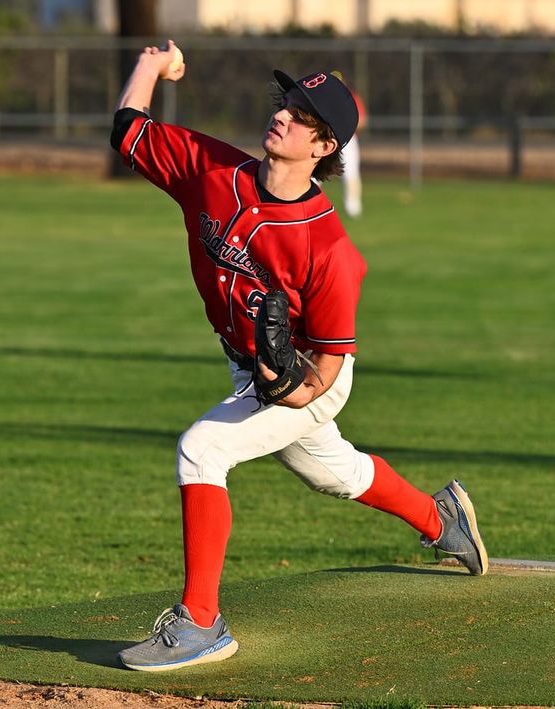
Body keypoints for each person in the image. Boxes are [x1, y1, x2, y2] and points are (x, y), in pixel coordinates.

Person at [109, 40, 488, 673]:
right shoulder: (213, 172)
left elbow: (330, 368)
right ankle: (439, 516)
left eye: (304, 114)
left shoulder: (330, 249)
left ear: (324, 146)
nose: (284, 115)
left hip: (311, 376)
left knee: (203, 448)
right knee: (331, 472)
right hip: (251, 363)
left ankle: (202, 622)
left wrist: (287, 386)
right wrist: (154, 63)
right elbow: (130, 131)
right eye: (287, 103)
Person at [338, 76, 366, 218]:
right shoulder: (322, 98)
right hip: (324, 137)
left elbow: (362, 121)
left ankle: (353, 207)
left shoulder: (351, 98)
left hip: (347, 139)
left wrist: (345, 125)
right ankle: (310, 206)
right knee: (312, 175)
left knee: (350, 172)